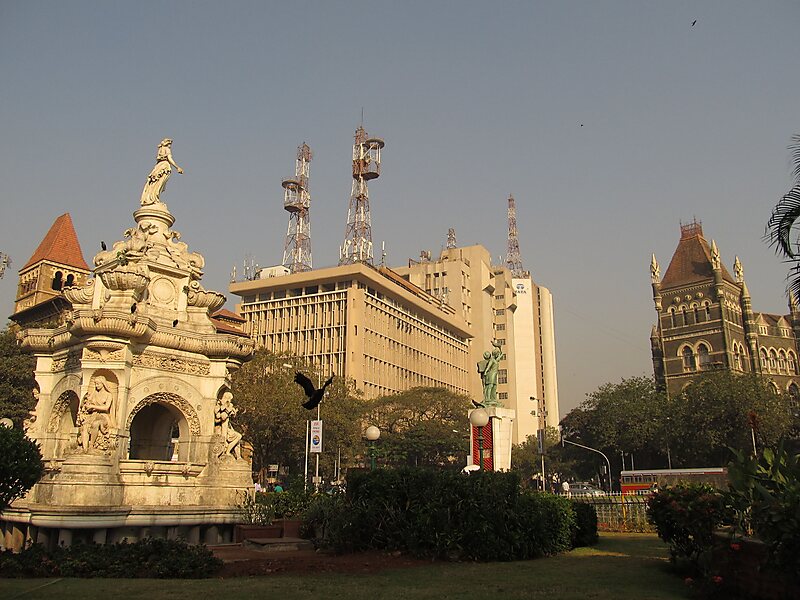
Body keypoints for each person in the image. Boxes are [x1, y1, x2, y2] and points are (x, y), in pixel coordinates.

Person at [141, 138, 183, 205]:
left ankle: (151, 197)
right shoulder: (166, 149)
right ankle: (154, 198)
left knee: (155, 183)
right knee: (159, 184)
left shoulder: (160, 149)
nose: (170, 145)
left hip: (158, 166)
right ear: (167, 143)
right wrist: (177, 167)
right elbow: (169, 158)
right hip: (164, 166)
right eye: (169, 144)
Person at [80, 376, 114, 451]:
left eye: (98, 384)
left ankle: (91, 445)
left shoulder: (109, 395)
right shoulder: (93, 394)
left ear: (103, 384)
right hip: (93, 415)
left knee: (96, 424)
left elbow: (106, 407)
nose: (96, 385)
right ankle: (85, 449)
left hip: (103, 416)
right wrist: (87, 406)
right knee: (85, 426)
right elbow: (86, 404)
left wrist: (93, 406)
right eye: (95, 384)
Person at [215, 391, 243, 459]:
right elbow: (220, 417)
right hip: (221, 429)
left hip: (227, 427)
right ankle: (227, 451)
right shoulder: (219, 407)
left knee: (238, 438)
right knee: (238, 436)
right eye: (229, 399)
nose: (230, 401)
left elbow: (230, 415)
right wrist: (228, 411)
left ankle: (237, 456)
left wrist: (232, 412)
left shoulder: (229, 406)